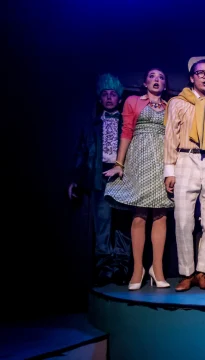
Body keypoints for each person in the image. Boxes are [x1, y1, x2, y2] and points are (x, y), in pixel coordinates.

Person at [164, 59, 205, 292]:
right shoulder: (178, 103)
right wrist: (169, 170)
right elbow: (170, 136)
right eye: (200, 73)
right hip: (185, 158)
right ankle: (186, 272)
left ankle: (204, 271)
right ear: (192, 77)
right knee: (183, 219)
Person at [104, 68, 173, 290]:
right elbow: (126, 131)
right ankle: (137, 269)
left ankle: (157, 267)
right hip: (140, 159)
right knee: (140, 213)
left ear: (164, 85)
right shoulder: (133, 101)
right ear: (145, 82)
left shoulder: (170, 106)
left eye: (161, 78)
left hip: (162, 160)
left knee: (161, 213)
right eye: (152, 76)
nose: (157, 80)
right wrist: (119, 163)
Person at [68, 73, 132, 286]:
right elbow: (81, 152)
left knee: (122, 224)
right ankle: (104, 268)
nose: (109, 98)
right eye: (105, 95)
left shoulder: (127, 123)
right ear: (99, 99)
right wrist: (76, 179)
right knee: (102, 224)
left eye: (112, 94)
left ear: (119, 98)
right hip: (99, 177)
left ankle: (122, 267)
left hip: (122, 177)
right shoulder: (92, 125)